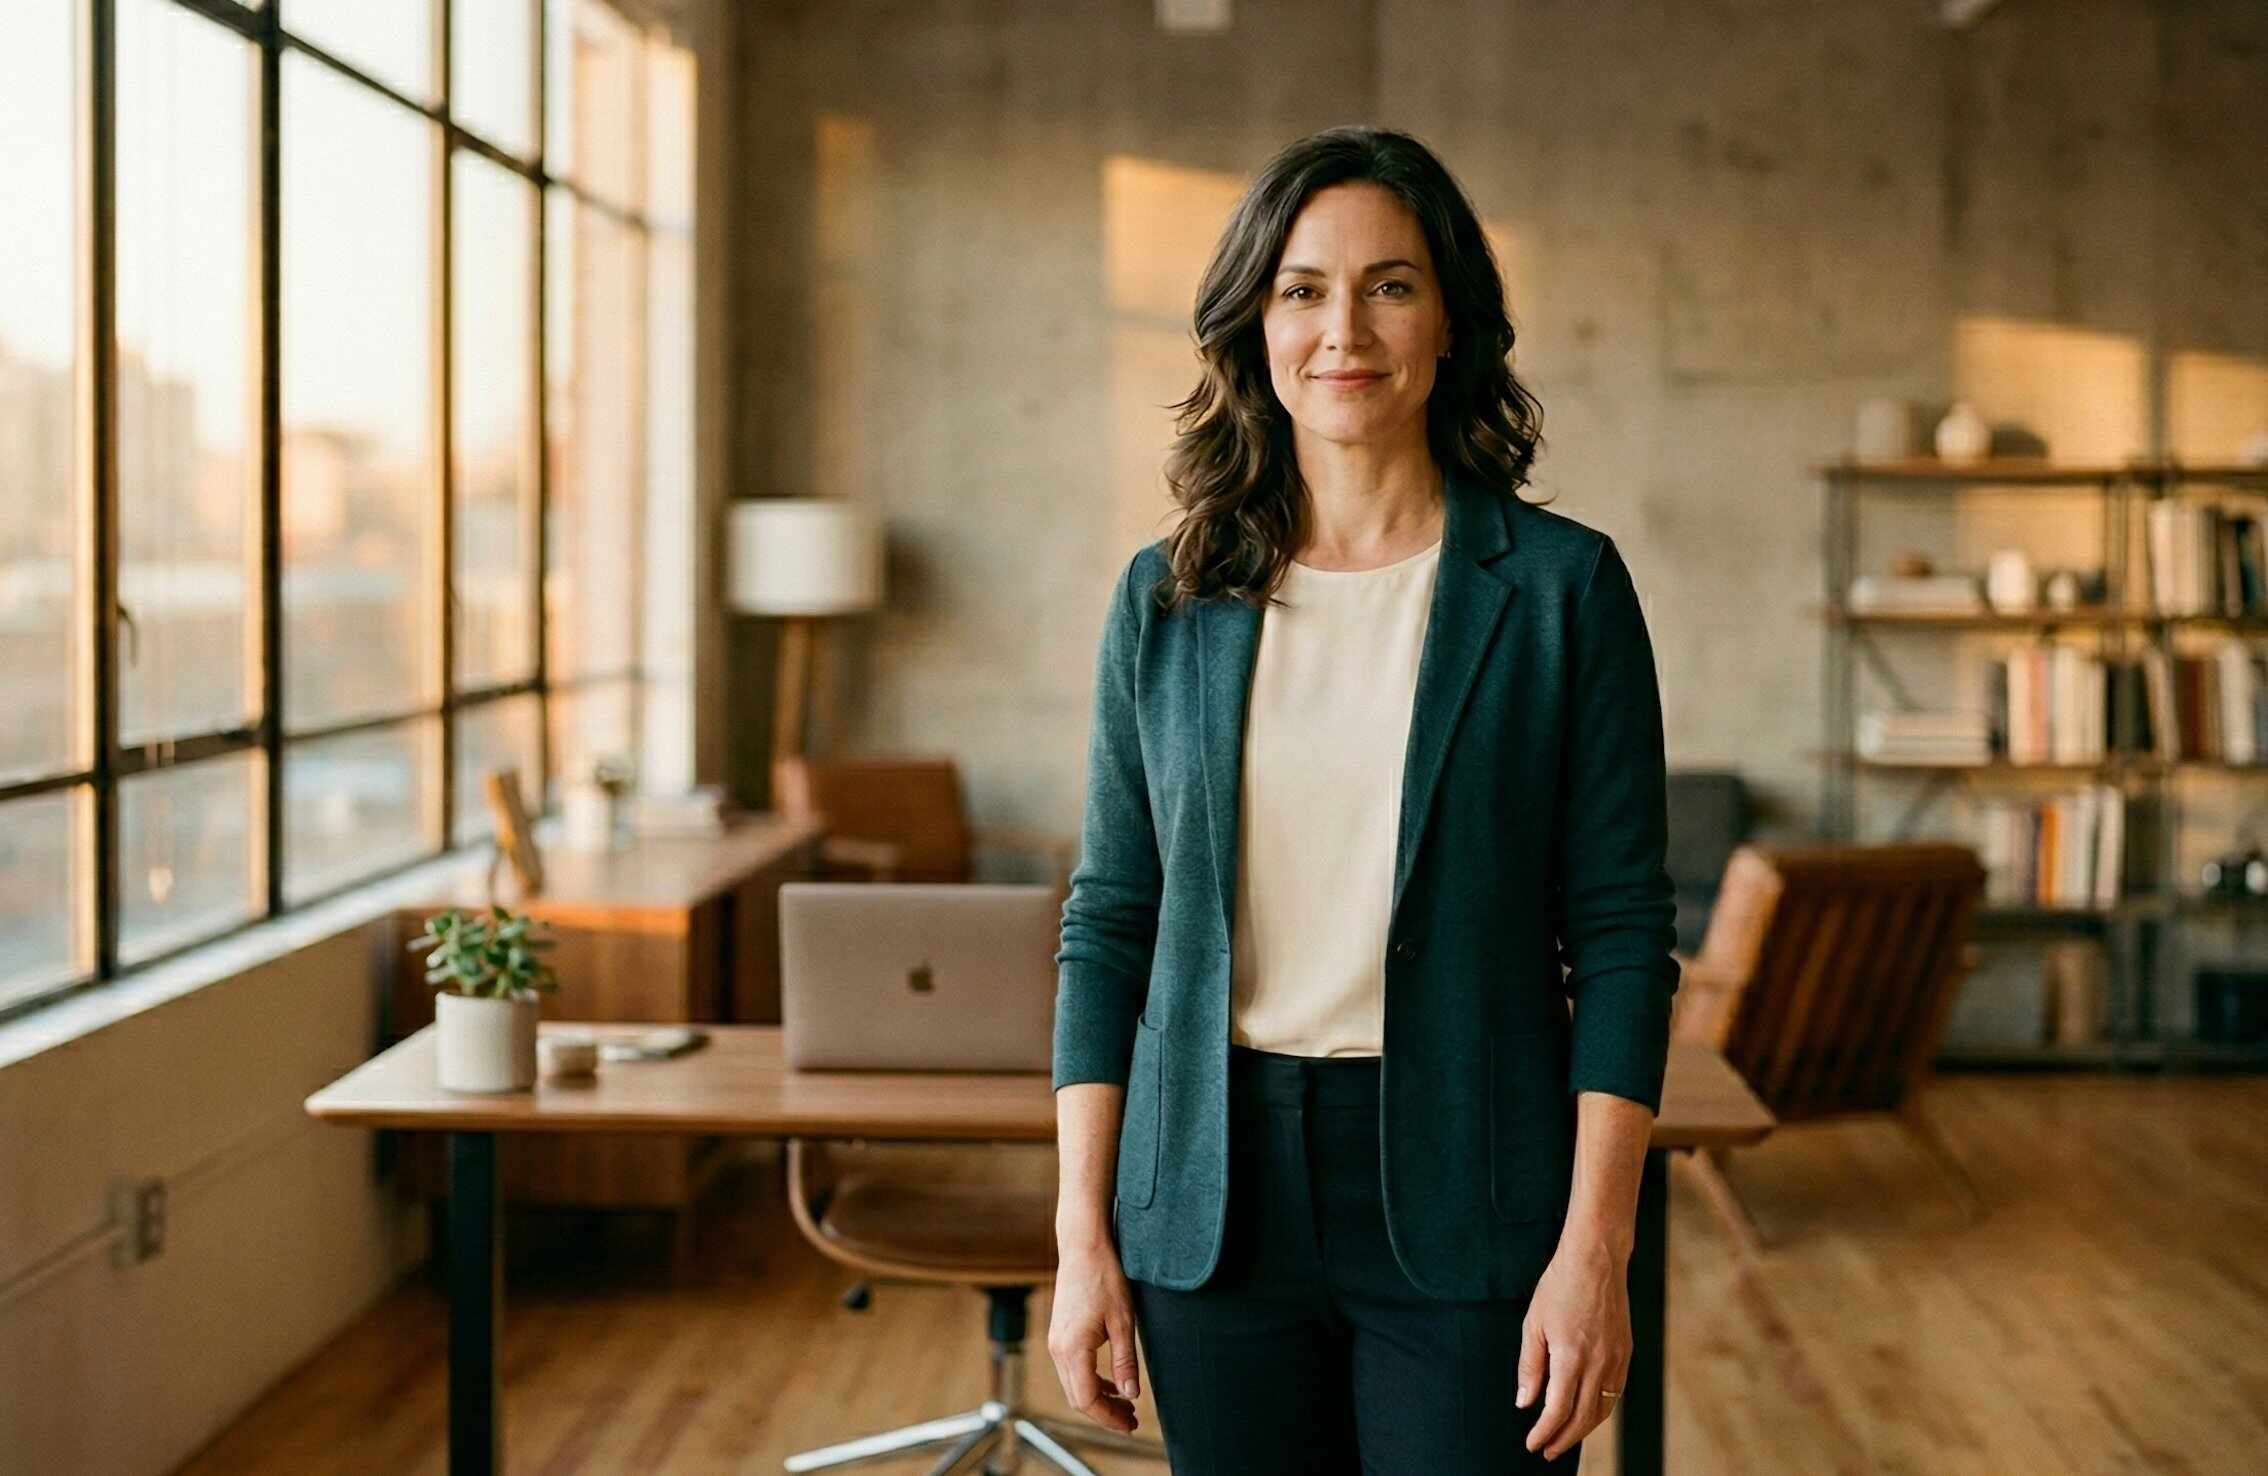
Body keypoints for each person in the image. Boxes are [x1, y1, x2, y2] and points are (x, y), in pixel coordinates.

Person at [1046, 123, 1680, 1473]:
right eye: (1302, 288)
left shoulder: (1563, 592)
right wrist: (1081, 1238)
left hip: (1476, 1190)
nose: (1346, 327)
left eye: (1390, 284)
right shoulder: (1164, 603)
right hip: (1211, 1204)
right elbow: (1110, 924)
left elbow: (1623, 939)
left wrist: (1595, 1250)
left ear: (1452, 317)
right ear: (1253, 325)